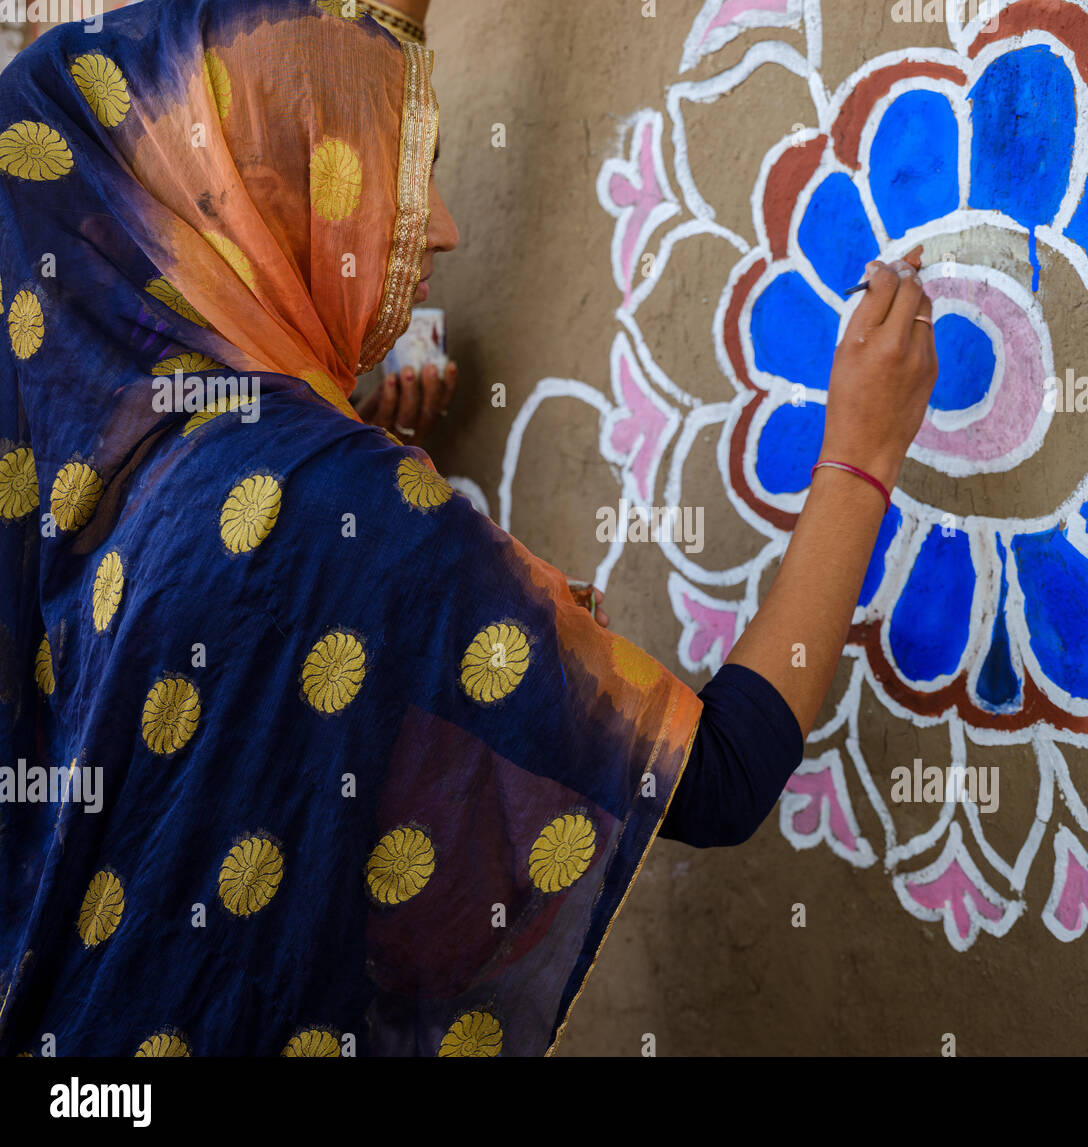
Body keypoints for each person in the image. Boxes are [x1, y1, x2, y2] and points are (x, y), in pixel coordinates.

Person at [0, 0, 936, 1057]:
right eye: (401, 166)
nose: (440, 221)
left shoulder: (118, 493)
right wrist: (862, 452)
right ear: (262, 201)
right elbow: (718, 776)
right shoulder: (333, 505)